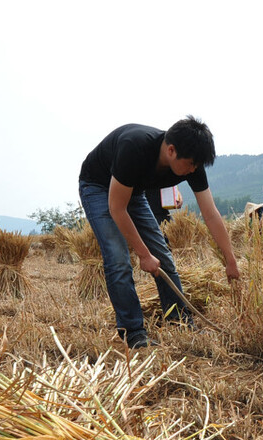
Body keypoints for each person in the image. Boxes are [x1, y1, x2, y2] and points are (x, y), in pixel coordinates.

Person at [78, 118, 240, 349]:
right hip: (98, 186)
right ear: (171, 150)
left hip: (133, 192)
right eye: (191, 164)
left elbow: (211, 214)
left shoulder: (191, 162)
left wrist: (230, 260)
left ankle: (179, 320)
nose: (193, 170)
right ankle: (133, 331)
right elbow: (117, 208)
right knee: (119, 259)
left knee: (162, 256)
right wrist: (143, 255)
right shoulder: (134, 147)